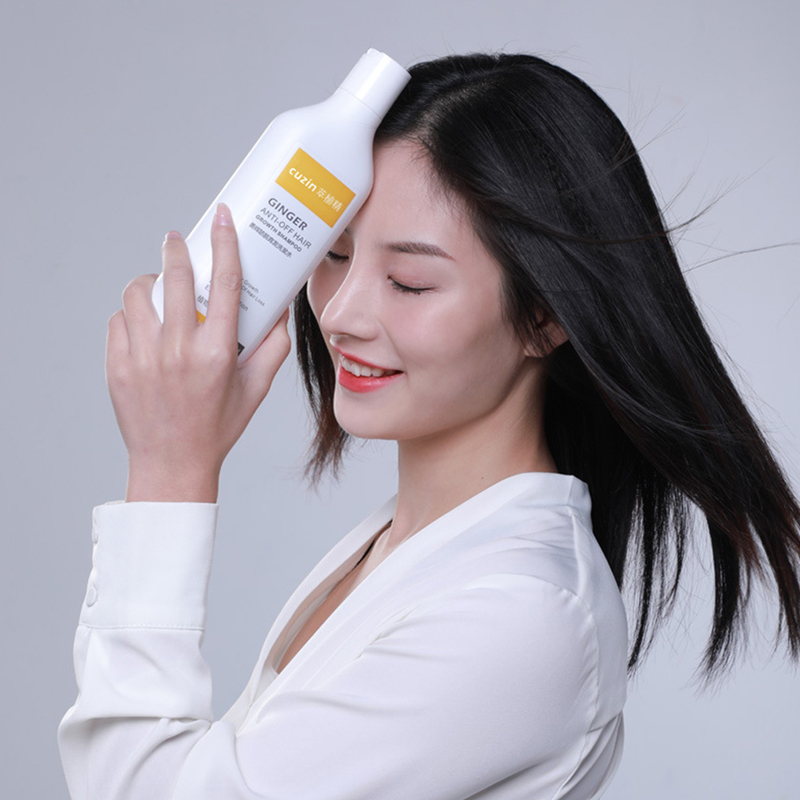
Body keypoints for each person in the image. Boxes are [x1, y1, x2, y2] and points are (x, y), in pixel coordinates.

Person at [59, 53, 800, 799]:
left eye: (408, 282)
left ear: (545, 316)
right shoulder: (410, 547)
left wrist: (170, 471)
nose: (340, 314)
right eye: (335, 255)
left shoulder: (520, 615)